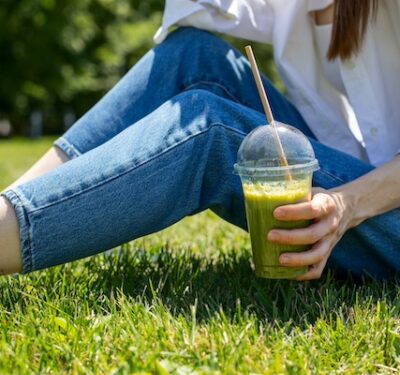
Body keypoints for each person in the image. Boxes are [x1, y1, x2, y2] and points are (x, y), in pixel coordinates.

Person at [0, 0, 399, 280]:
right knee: (192, 54)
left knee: (214, 130)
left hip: (383, 203)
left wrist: (348, 204)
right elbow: (207, 9)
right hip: (364, 169)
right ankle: (9, 207)